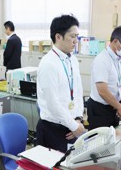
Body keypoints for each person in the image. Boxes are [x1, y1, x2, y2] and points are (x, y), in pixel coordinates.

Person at [36, 15, 86, 152]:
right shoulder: (48, 63)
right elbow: (53, 104)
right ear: (58, 37)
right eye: (72, 37)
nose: (76, 41)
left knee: (69, 168)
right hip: (53, 129)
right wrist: (74, 126)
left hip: (71, 125)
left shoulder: (73, 60)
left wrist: (78, 118)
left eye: (77, 36)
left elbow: (78, 92)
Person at [87, 26, 121, 130]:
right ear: (116, 41)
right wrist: (119, 106)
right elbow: (102, 91)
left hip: (115, 106)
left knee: (113, 139)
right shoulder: (102, 60)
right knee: (98, 142)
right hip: (100, 109)